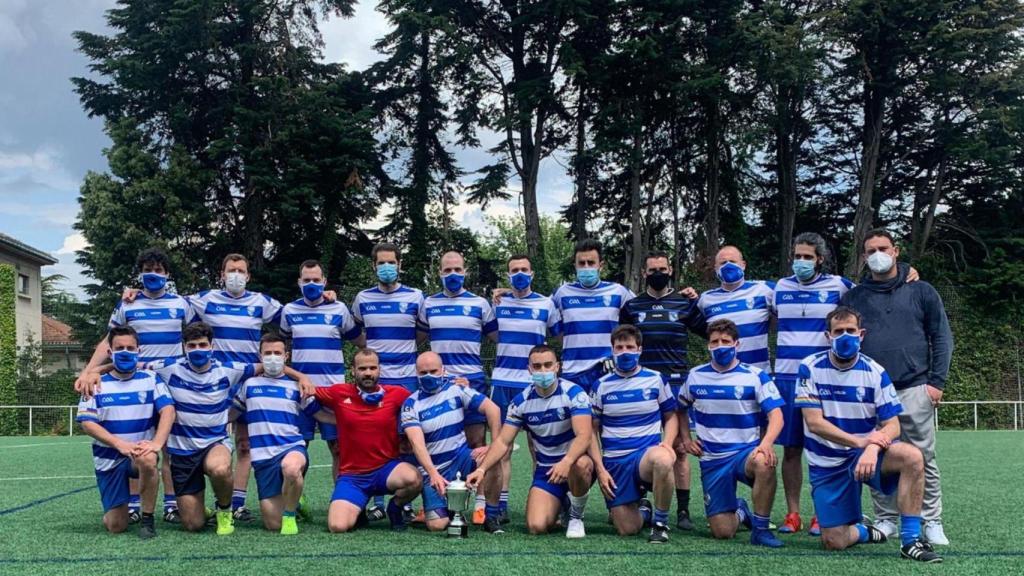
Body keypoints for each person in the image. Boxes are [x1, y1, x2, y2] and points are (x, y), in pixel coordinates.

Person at [795, 306, 942, 563]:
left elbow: (893, 425)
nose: (845, 337)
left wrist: (872, 448)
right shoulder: (810, 368)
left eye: (850, 331)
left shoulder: (876, 372)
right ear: (828, 337)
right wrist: (860, 441)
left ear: (861, 334)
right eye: (838, 332)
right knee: (833, 541)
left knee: (912, 457)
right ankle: (865, 531)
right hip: (827, 463)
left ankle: (911, 540)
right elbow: (814, 423)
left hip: (866, 453)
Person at [841, 229, 954, 545]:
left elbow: (942, 337)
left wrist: (936, 383)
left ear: (896, 251)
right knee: (878, 456)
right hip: (871, 393)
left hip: (914, 388)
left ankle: (931, 520)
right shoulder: (854, 297)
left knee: (924, 458)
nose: (877, 254)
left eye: (882, 248)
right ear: (864, 257)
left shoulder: (922, 290)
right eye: (870, 250)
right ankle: (886, 518)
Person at [76, 247, 193, 524]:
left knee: (167, 445)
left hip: (172, 381)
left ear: (167, 274)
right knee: (134, 438)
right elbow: (109, 342)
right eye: (148, 269)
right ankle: (132, 504)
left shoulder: (182, 304)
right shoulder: (127, 304)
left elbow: (196, 336)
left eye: (159, 269)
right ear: (140, 274)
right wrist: (89, 370)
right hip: (135, 379)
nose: (153, 274)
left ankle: (171, 503)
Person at [184, 254, 284, 522]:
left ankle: (236, 503)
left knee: (244, 445)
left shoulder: (261, 302)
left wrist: (328, 296)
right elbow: (169, 304)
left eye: (241, 270)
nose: (236, 275)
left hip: (250, 380)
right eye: (231, 270)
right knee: (203, 440)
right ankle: (193, 502)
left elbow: (296, 315)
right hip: (214, 381)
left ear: (248, 276)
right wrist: (133, 293)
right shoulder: (206, 299)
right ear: (222, 273)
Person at [771, 233, 854, 535]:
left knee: (826, 447)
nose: (800, 262)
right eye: (797, 256)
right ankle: (793, 514)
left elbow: (872, 294)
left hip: (824, 378)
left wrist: (909, 269)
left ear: (820, 259)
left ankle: (824, 513)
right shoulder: (779, 287)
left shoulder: (839, 286)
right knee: (791, 450)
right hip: (787, 378)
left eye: (807, 257)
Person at [678, 319, 785, 548]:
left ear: (737, 344)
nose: (720, 346)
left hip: (744, 453)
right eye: (714, 342)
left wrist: (766, 444)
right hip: (713, 459)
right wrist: (686, 439)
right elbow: (679, 408)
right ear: (708, 346)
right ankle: (741, 512)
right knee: (723, 532)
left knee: (765, 461)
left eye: (725, 341)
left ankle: (761, 529)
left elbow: (776, 416)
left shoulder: (755, 375)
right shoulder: (695, 376)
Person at [468, 345, 594, 538]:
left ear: (557, 367)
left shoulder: (575, 393)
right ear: (529, 369)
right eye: (537, 366)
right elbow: (503, 441)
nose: (543, 370)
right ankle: (562, 503)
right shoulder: (520, 402)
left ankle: (576, 517)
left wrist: (566, 462)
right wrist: (481, 469)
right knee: (536, 526)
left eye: (547, 365)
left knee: (582, 463)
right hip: (547, 471)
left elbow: (585, 435)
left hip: (573, 464)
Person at [619, 251, 705, 530]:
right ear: (644, 273)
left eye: (662, 268)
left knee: (679, 448)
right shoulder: (632, 306)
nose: (658, 272)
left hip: (676, 382)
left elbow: (709, 332)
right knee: (642, 444)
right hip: (642, 385)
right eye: (652, 268)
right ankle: (643, 500)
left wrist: (698, 300)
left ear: (671, 270)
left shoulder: (684, 303)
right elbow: (624, 342)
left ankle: (682, 510)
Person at [419, 250, 498, 523]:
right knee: (436, 443)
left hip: (472, 381)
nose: (452, 274)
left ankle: (480, 503)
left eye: (457, 270)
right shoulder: (427, 304)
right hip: (438, 385)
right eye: (447, 270)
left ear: (465, 272)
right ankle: (436, 500)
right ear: (439, 273)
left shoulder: (480, 303)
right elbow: (415, 336)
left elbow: (498, 336)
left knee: (477, 444)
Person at [76, 326, 176, 538]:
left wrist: (157, 443)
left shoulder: (151, 378)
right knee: (116, 526)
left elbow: (168, 411)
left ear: (139, 351)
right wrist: (120, 444)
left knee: (149, 459)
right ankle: (120, 510)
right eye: (120, 348)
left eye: (131, 348)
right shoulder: (94, 382)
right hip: (109, 458)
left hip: (138, 453)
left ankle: (147, 519)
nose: (126, 352)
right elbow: (87, 423)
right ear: (110, 353)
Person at [309, 348, 423, 533]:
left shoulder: (396, 394)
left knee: (414, 479)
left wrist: (456, 385)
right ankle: (358, 508)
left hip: (387, 469)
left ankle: (394, 508)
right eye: (362, 368)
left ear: (379, 370)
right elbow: (308, 393)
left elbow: (426, 400)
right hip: (353, 477)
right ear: (353, 370)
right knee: (337, 526)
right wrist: (303, 383)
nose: (368, 373)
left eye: (372, 368)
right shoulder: (339, 393)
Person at [351, 242, 426, 518]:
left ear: (399, 265)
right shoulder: (362, 298)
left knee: (406, 439)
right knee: (376, 439)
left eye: (391, 262)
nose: (386, 267)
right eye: (381, 263)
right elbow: (358, 335)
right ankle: (377, 504)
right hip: (374, 382)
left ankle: (403, 500)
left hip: (406, 381)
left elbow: (422, 333)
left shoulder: (417, 297)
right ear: (374, 266)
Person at [589, 325, 677, 543]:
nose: (624, 351)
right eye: (619, 347)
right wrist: (600, 468)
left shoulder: (656, 379)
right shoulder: (600, 385)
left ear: (639, 349)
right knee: (627, 529)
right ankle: (644, 510)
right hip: (616, 462)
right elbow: (591, 430)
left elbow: (671, 417)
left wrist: (667, 443)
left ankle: (660, 524)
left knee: (663, 459)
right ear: (612, 350)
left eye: (630, 347)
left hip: (645, 457)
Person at [231, 332, 326, 535]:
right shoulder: (248, 386)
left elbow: (321, 415)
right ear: (260, 356)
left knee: (291, 469)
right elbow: (231, 414)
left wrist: (354, 419)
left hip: (291, 447)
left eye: (277, 352)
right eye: (268, 353)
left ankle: (290, 514)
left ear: (286, 356)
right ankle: (294, 499)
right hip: (263, 458)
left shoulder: (296, 387)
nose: (272, 357)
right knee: (273, 524)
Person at [490, 253, 562, 523]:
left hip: (534, 385)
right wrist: (504, 292)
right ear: (508, 275)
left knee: (538, 449)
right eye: (514, 270)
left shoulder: (546, 304)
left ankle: (545, 498)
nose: (519, 273)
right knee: (501, 448)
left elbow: (555, 336)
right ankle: (501, 506)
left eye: (524, 269)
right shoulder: (497, 303)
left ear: (532, 274)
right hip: (502, 383)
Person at [401, 352, 505, 534]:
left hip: (461, 459)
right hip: (433, 469)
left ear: (443, 370)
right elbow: (417, 443)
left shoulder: (456, 390)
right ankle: (449, 510)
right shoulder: (411, 404)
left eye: (433, 371)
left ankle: (492, 515)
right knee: (437, 526)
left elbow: (493, 409)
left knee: (493, 458)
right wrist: (433, 473)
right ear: (416, 373)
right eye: (423, 372)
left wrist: (494, 444)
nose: (429, 376)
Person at [280, 259, 364, 476]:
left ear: (324, 281)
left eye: (316, 280)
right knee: (298, 449)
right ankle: (295, 501)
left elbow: (359, 341)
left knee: (338, 449)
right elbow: (282, 349)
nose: (311, 284)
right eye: (306, 280)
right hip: (300, 392)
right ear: (299, 282)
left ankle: (340, 502)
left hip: (333, 392)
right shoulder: (289, 310)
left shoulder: (339, 309)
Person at [550, 239, 635, 393]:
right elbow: (537, 309)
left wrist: (680, 296)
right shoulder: (561, 293)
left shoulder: (619, 292)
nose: (586, 267)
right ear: (575, 265)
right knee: (576, 418)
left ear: (601, 265)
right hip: (573, 373)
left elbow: (644, 310)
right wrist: (509, 294)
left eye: (591, 262)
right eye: (582, 263)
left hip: (608, 371)